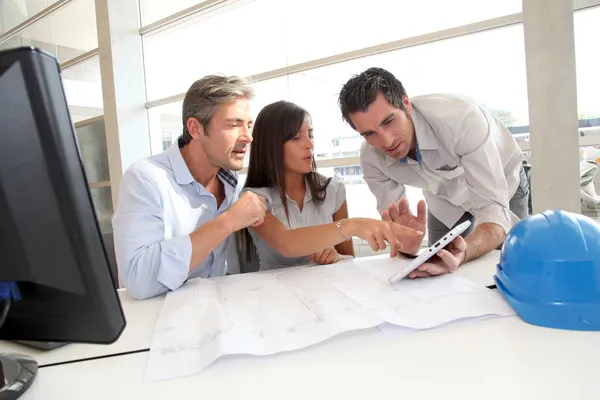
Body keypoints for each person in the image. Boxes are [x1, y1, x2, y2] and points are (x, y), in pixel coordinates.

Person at [337, 67, 530, 279]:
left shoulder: (462, 119)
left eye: (389, 121)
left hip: (503, 179)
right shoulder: (371, 159)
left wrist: (464, 253)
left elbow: (493, 211)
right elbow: (402, 239)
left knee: (514, 262)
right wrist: (407, 241)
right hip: (442, 195)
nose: (387, 141)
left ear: (406, 104)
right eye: (369, 133)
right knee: (436, 264)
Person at [112, 75, 267, 300]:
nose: (248, 137)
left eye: (248, 125)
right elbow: (137, 279)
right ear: (195, 128)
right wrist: (227, 222)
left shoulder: (230, 179)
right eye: (233, 125)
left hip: (217, 313)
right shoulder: (145, 178)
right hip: (159, 323)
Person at [239, 100, 421, 271]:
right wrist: (352, 225)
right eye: (296, 137)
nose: (309, 145)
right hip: (273, 294)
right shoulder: (254, 199)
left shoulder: (332, 190)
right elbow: (286, 243)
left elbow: (348, 256)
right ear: (271, 145)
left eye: (310, 135)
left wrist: (336, 258)